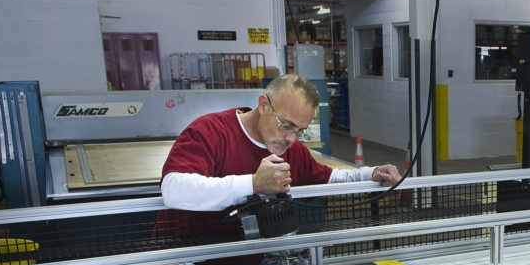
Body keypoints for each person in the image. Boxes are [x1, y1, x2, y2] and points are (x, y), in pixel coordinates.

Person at [160, 73, 400, 211]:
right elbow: (173, 189)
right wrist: (254, 184)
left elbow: (327, 178)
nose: (291, 138)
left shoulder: (292, 148)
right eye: (286, 125)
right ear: (263, 105)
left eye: (299, 130)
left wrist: (370, 174)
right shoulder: (210, 132)